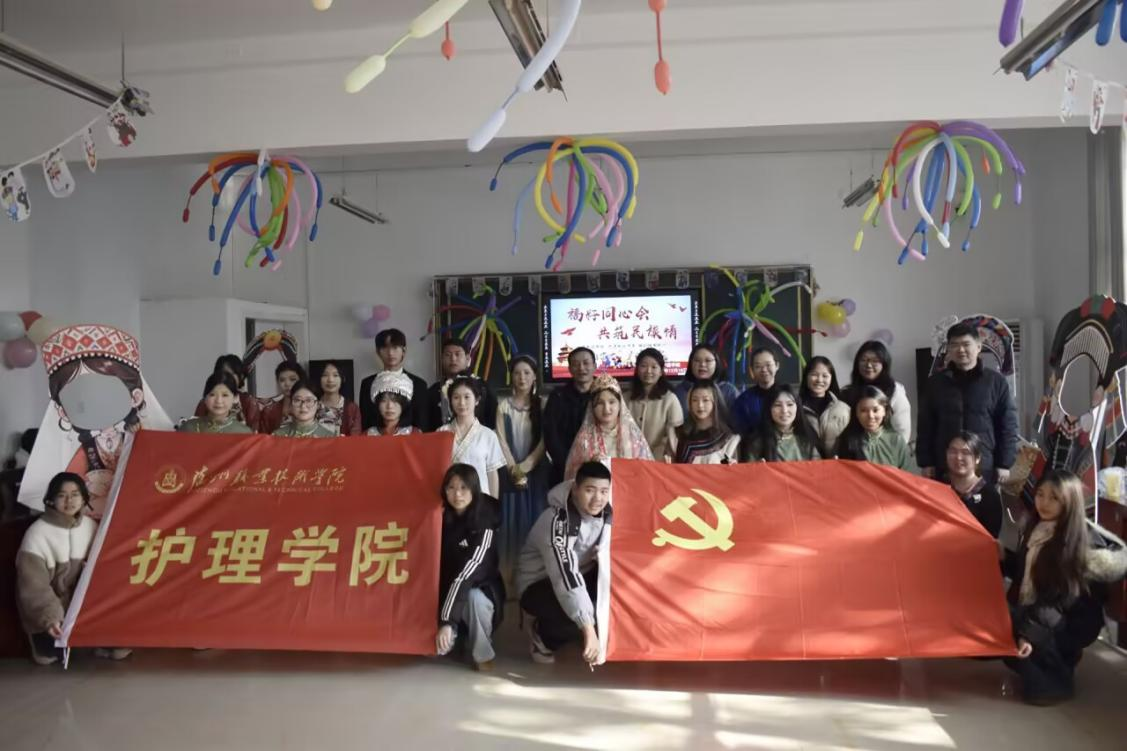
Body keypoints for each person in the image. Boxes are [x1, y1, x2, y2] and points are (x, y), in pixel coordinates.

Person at [1004, 470, 1127, 705]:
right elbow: (1027, 573)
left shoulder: (1075, 543)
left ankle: (1057, 671)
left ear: (1070, 501)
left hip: (1068, 620)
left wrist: (1028, 634)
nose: (1044, 503)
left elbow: (1059, 600)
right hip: (1044, 611)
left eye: (1054, 498)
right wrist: (1003, 556)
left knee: (1040, 691)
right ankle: (1043, 659)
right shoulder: (1038, 528)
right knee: (1005, 632)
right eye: (1040, 494)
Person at [17, 472, 131, 665]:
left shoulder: (91, 527)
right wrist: (50, 617)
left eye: (75, 494)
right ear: (51, 499)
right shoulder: (37, 534)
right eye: (62, 495)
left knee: (120, 649)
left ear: (84, 498)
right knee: (48, 657)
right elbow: (33, 587)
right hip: (51, 608)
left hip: (84, 607)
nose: (69, 501)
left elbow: (106, 571)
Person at [517, 461, 612, 665]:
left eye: (604, 491)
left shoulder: (608, 514)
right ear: (575, 489)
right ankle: (541, 635)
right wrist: (588, 627)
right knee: (574, 619)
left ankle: (585, 628)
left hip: (581, 574)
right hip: (541, 584)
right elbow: (564, 574)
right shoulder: (556, 521)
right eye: (590, 490)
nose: (598, 498)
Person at [918, 322, 1019, 484]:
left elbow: (1008, 425)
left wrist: (1004, 463)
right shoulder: (935, 383)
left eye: (966, 344)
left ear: (978, 347)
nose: (961, 350)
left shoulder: (996, 382)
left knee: (984, 501)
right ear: (948, 349)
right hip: (944, 466)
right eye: (954, 345)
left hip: (984, 465)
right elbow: (925, 426)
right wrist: (926, 462)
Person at [435, 464, 504, 672]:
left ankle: (482, 653)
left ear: (474, 489)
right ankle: (453, 635)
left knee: (475, 598)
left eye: (464, 488)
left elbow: (466, 574)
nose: (457, 494)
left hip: (479, 588)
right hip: (446, 589)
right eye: (451, 487)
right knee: (438, 649)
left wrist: (447, 621)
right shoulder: (438, 516)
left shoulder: (485, 522)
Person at [495, 355, 550, 586]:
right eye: (517, 373)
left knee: (534, 526)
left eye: (527, 373)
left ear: (534, 376)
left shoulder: (543, 404)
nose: (522, 378)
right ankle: (509, 584)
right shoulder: (503, 406)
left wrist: (526, 466)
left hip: (537, 475)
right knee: (510, 528)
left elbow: (545, 440)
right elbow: (500, 440)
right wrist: (514, 469)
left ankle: (535, 582)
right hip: (511, 476)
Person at [563, 374, 654, 480]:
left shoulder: (633, 436)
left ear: (620, 404)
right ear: (592, 407)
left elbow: (647, 471)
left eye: (612, 402)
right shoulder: (585, 439)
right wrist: (591, 466)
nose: (606, 409)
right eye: (600, 403)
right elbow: (574, 477)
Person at [437, 376, 504, 497]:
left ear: (477, 400)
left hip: (480, 498)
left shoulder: (488, 435)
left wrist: (493, 504)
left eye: (467, 397)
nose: (462, 403)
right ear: (450, 401)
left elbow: (492, 474)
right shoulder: (441, 432)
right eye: (456, 397)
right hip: (452, 498)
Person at [543, 347, 597, 486]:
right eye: (576, 364)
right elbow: (551, 434)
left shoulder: (605, 394)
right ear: (570, 369)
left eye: (586, 363)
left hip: (599, 468)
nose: (581, 368)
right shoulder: (558, 396)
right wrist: (568, 463)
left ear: (595, 366)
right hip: (564, 468)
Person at [841, 341, 912, 446]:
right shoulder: (847, 392)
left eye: (875, 361)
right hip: (852, 450)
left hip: (886, 451)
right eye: (864, 360)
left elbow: (902, 431)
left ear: (884, 364)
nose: (868, 365)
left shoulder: (895, 391)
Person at [358, 329, 429, 432]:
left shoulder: (419, 384)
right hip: (375, 440)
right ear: (378, 352)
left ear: (404, 350)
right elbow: (365, 422)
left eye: (395, 347)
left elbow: (422, 424)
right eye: (385, 348)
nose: (390, 353)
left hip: (411, 440)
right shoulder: (368, 384)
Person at [833, 385, 915, 471]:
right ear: (856, 413)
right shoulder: (847, 441)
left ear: (884, 411)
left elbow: (907, 475)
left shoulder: (896, 440)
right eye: (863, 411)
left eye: (875, 410)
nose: (870, 416)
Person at [624, 348, 683, 460]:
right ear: (637, 369)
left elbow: (673, 437)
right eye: (643, 366)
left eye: (654, 367)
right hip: (629, 458)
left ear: (661, 372)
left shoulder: (670, 399)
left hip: (659, 460)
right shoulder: (625, 398)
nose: (648, 371)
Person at [427, 339, 498, 431]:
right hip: (441, 437)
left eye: (457, 354)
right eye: (448, 355)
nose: (453, 359)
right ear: (442, 359)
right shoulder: (433, 391)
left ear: (467, 359)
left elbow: (493, 421)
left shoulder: (482, 387)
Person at [666, 380, 740, 464]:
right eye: (695, 400)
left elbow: (734, 468)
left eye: (705, 400)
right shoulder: (678, 434)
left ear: (715, 402)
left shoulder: (728, 438)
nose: (700, 405)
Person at [946, 432, 1003, 538]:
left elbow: (991, 537)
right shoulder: (940, 488)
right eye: (953, 451)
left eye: (965, 452)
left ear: (977, 458)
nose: (958, 457)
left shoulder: (990, 495)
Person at [743, 385, 822, 462]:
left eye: (790, 404)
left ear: (798, 407)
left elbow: (818, 468)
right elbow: (749, 469)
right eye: (777, 405)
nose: (784, 410)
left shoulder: (808, 437)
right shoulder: (758, 441)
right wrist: (759, 468)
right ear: (769, 409)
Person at [192, 354, 260, 431]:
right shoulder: (205, 402)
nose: (227, 378)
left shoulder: (248, 402)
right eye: (224, 374)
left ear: (240, 376)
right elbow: (195, 429)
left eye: (232, 374)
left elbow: (254, 433)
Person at [799, 356, 851, 456]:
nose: (819, 380)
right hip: (807, 464)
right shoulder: (795, 408)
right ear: (806, 377)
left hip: (837, 463)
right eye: (814, 374)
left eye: (825, 376)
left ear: (832, 378)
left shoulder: (843, 409)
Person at [673, 344, 741, 417]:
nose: (702, 364)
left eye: (708, 360)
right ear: (691, 363)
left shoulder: (729, 391)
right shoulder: (680, 391)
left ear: (716, 363)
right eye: (697, 360)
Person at [178, 372, 255, 434]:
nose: (218, 401)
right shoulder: (188, 428)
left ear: (234, 398)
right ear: (205, 398)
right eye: (212, 395)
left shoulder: (243, 433)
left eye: (225, 395)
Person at [730, 347, 781, 435]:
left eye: (768, 365)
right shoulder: (744, 400)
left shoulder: (788, 396)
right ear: (752, 370)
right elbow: (737, 429)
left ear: (777, 366)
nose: (764, 370)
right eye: (758, 366)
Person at [258, 361, 307, 435]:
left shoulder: (310, 407)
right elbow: (264, 437)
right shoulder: (270, 410)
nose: (287, 384)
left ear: (301, 381)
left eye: (292, 379)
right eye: (282, 380)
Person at [366, 371, 420, 437]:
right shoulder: (368, 435)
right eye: (384, 400)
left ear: (403, 404)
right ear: (377, 404)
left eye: (395, 401)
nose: (390, 406)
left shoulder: (414, 434)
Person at [315, 360, 361, 436]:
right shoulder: (312, 405)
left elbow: (355, 438)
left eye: (335, 375)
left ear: (342, 379)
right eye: (325, 375)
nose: (330, 380)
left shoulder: (352, 408)